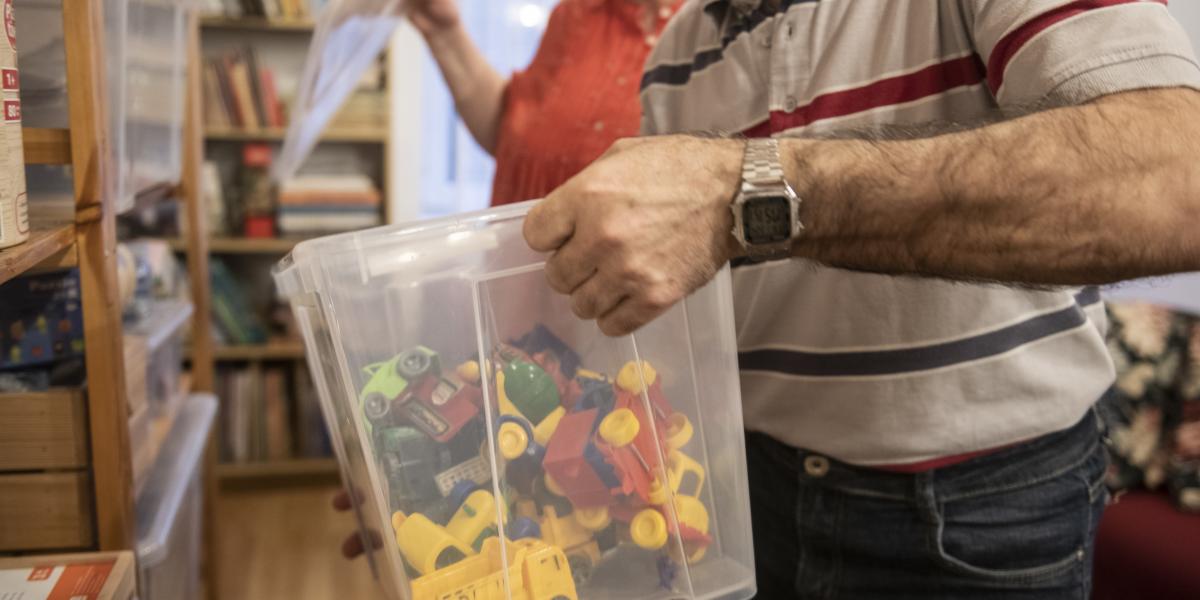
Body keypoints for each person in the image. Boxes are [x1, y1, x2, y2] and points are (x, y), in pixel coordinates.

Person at [524, 0, 1200, 597]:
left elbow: (1177, 182)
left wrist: (745, 190)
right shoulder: (675, 57)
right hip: (753, 488)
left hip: (983, 508)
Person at [408, 0, 683, 206]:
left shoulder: (700, 32)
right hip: (517, 261)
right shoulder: (577, 12)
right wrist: (443, 31)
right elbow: (517, 133)